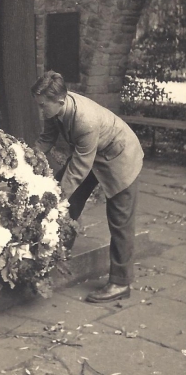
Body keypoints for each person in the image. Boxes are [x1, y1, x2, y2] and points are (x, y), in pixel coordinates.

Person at [31, 71, 144, 304]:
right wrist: (27, 160)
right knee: (66, 205)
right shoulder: (54, 108)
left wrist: (56, 197)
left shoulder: (85, 120)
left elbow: (79, 169)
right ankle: (57, 256)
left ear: (60, 101)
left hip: (120, 157)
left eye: (43, 106)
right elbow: (45, 140)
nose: (40, 110)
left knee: (120, 220)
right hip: (93, 153)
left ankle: (121, 282)